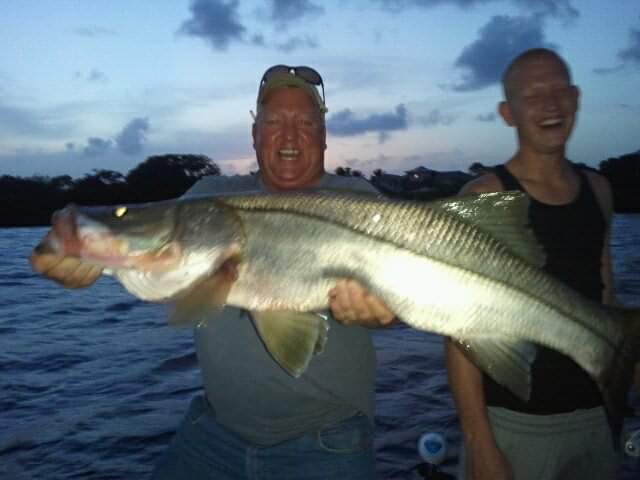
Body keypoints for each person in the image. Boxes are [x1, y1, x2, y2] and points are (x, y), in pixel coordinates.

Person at [30, 65, 397, 479]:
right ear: (255, 135)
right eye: (274, 122)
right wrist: (75, 248)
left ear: (325, 136)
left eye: (305, 123)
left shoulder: (359, 202)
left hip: (327, 442)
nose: (289, 136)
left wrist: (387, 312)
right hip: (214, 437)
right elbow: (161, 261)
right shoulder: (209, 198)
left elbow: (410, 297)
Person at [445, 48, 619, 480]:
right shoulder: (483, 197)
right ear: (508, 113)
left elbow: (606, 294)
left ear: (577, 98)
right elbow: (459, 331)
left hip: (597, 421)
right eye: (532, 95)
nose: (550, 104)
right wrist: (479, 442)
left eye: (560, 90)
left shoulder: (599, 190)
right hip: (515, 425)